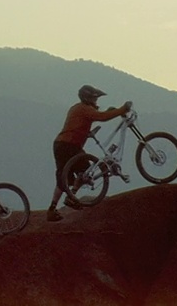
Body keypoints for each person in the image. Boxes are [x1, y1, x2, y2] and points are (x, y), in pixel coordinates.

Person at [47, 85, 132, 222]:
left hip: (62, 144)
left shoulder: (78, 108)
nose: (96, 101)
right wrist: (122, 109)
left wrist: (113, 111)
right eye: (94, 98)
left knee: (67, 176)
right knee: (81, 173)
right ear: (87, 98)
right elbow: (102, 117)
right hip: (69, 145)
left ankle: (54, 207)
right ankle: (71, 197)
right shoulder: (83, 109)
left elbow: (95, 116)